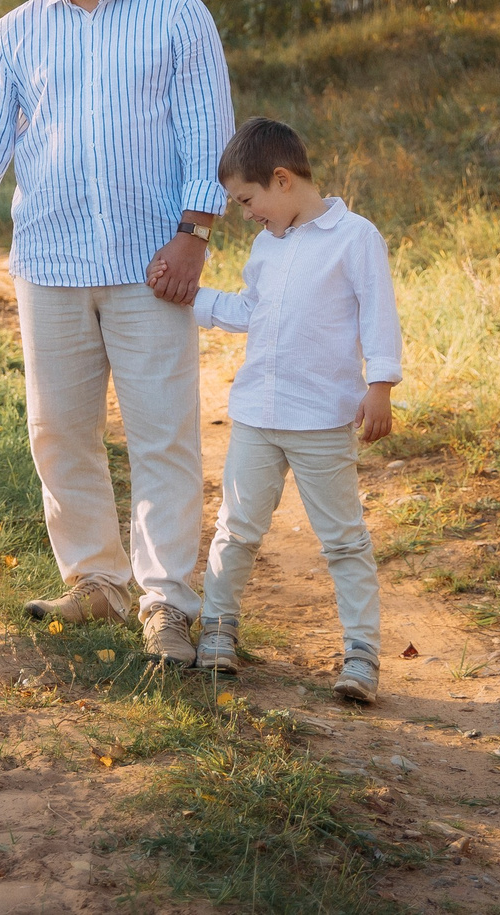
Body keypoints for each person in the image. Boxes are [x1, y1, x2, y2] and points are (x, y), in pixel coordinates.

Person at [0, 0, 236, 666]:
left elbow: (209, 129)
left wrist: (195, 230)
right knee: (58, 431)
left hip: (150, 264)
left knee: (162, 433)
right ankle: (98, 580)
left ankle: (166, 600)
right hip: (50, 261)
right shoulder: (19, 31)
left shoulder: (176, 15)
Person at [186, 116, 401, 705]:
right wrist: (192, 298)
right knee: (237, 527)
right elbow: (252, 309)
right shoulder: (267, 245)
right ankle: (218, 630)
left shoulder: (354, 237)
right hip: (257, 413)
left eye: (247, 200)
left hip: (322, 419)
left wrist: (380, 384)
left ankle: (361, 653)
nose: (246, 213)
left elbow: (379, 315)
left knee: (343, 539)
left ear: (282, 180)